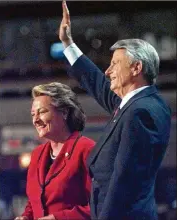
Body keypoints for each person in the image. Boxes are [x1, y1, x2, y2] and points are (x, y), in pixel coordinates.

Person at [58, 1, 172, 219]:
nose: (108, 71)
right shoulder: (137, 104)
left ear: (136, 68)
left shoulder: (140, 112)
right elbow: (98, 84)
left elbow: (124, 183)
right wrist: (68, 43)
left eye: (114, 64)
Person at [15, 82, 95, 220]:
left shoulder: (87, 149)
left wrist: (58, 218)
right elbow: (35, 202)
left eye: (42, 112)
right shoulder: (37, 155)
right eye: (33, 114)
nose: (35, 120)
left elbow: (102, 205)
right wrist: (26, 217)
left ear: (64, 112)